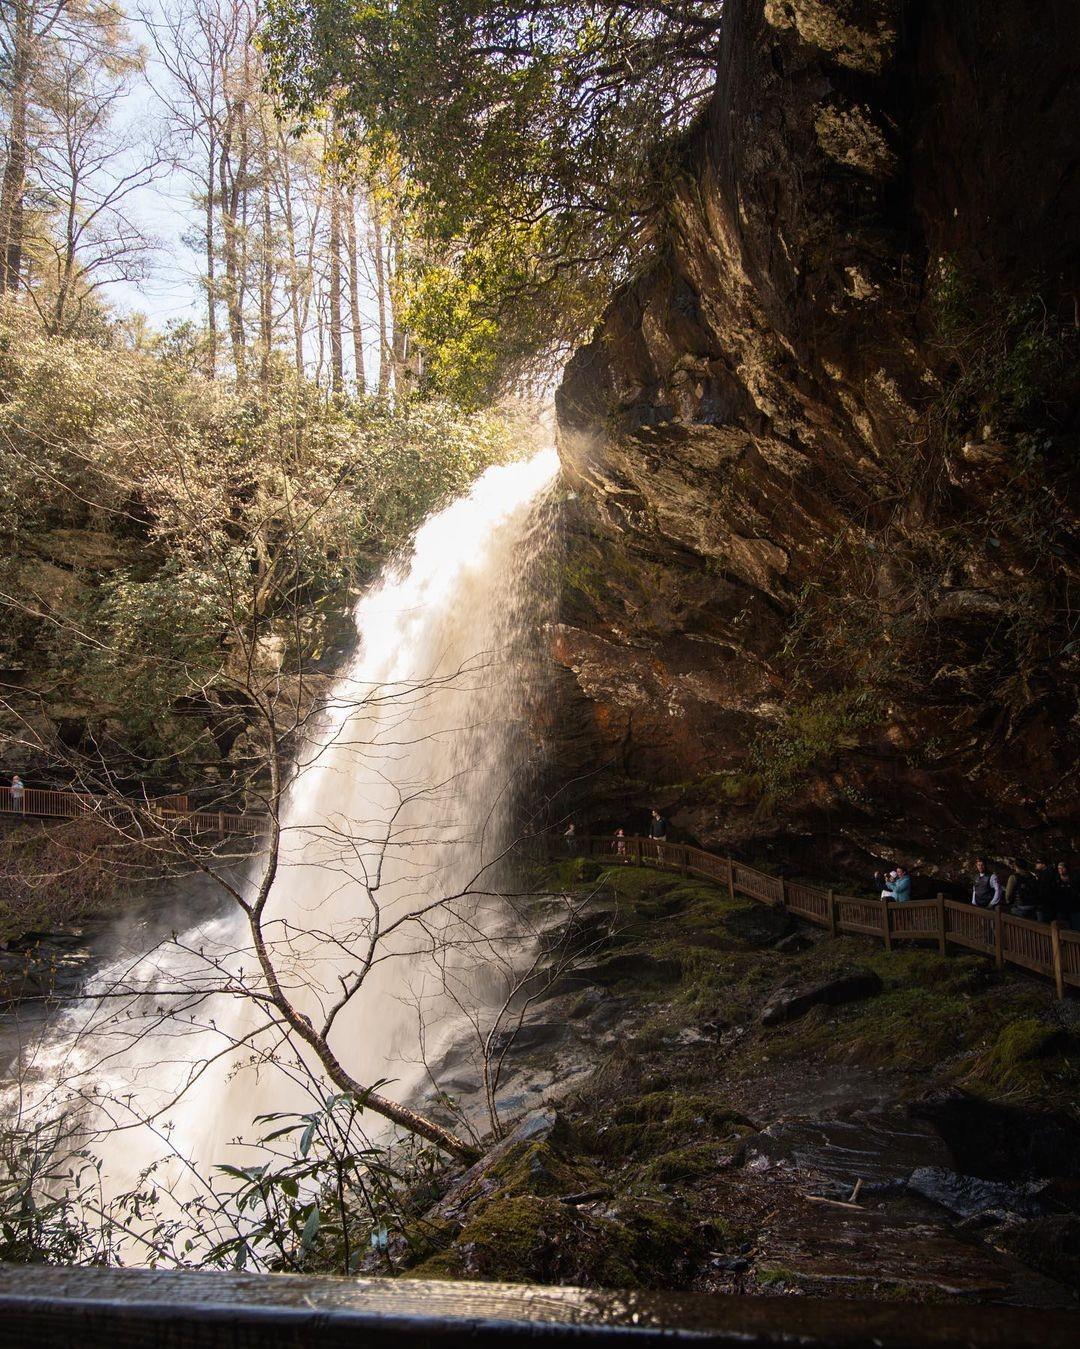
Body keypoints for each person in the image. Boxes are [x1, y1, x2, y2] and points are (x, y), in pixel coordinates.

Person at [1056, 861, 1080, 931]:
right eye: (1059, 868)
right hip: (1061, 908)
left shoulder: (1074, 878)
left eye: (1062, 868)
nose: (1060, 870)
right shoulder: (1056, 879)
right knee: (1062, 928)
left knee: (1075, 928)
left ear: (1066, 868)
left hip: (1074, 908)